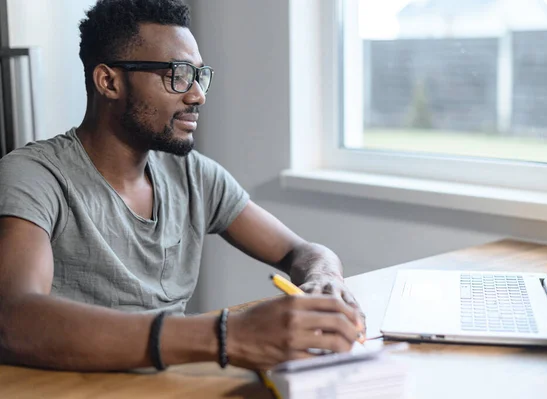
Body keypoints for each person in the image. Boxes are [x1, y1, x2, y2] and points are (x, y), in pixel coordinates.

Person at [0, 0, 365, 372]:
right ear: (109, 81)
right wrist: (226, 336)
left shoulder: (192, 175)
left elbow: (300, 251)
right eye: (176, 74)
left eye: (198, 75)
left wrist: (324, 277)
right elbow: (13, 319)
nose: (196, 95)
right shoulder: (33, 176)